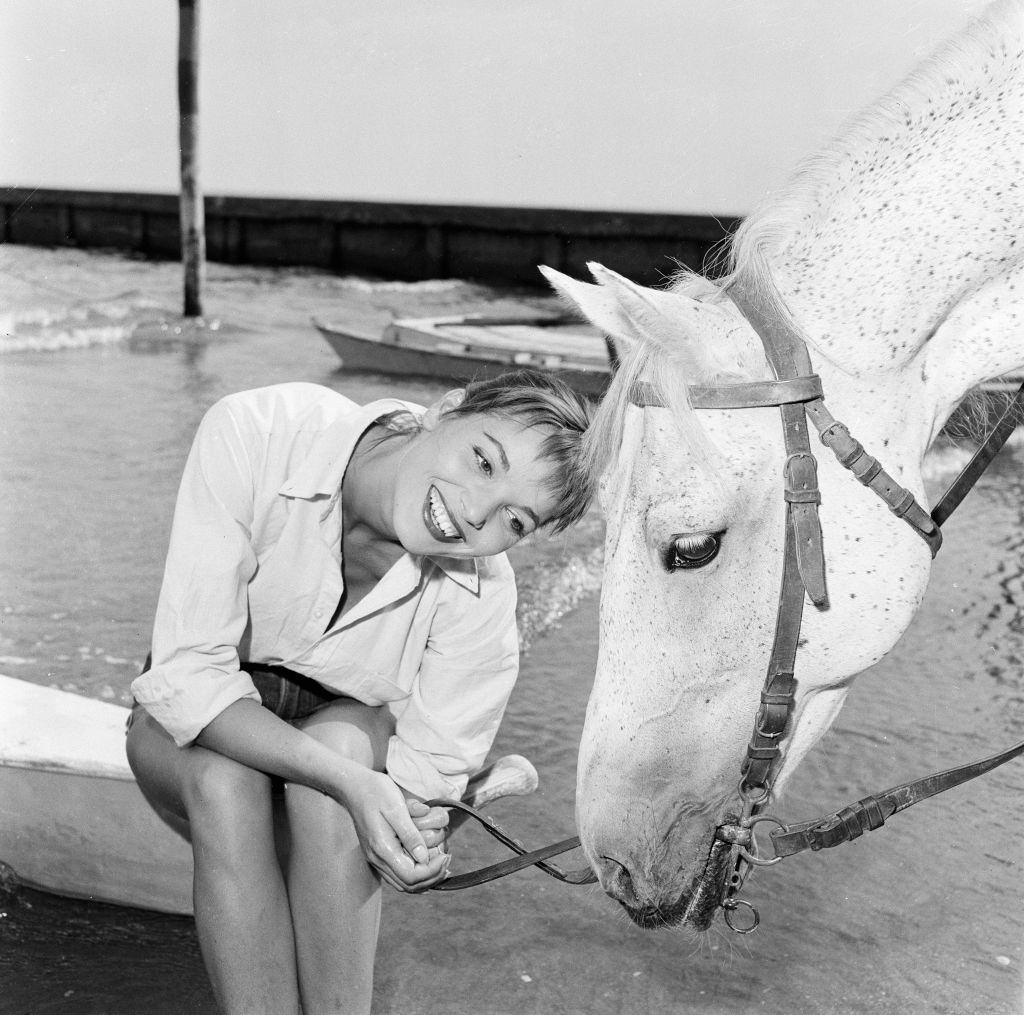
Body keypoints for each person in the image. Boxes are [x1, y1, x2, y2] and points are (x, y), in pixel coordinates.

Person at [125, 369, 593, 1015]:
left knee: (341, 759)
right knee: (226, 779)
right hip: (194, 731)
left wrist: (417, 829)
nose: (473, 512)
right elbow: (187, 677)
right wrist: (349, 782)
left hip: (348, 725)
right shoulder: (259, 428)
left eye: (514, 518)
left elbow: (428, 776)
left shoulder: (485, 596)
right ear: (445, 407)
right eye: (482, 459)